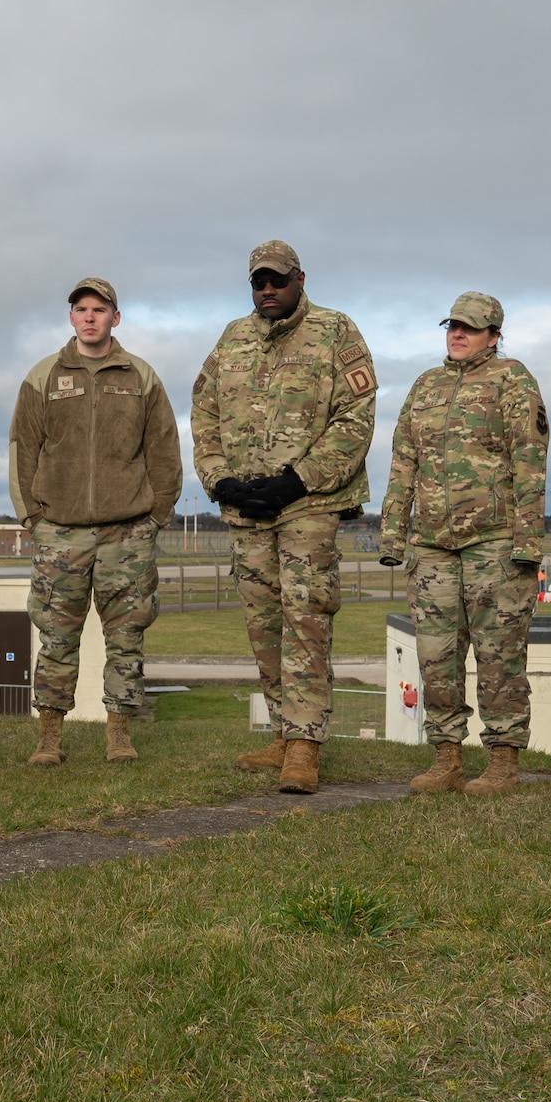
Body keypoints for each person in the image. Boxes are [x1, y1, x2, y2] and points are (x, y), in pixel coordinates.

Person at [191, 240, 376, 795]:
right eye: (257, 283)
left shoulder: (336, 331)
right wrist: (221, 481)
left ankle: (305, 746)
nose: (266, 291)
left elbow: (355, 419)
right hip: (247, 508)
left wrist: (296, 480)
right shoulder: (232, 338)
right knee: (263, 623)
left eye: (276, 280)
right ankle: (281, 729)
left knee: (306, 620)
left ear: (299, 278)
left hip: (308, 505)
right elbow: (203, 414)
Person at [9, 277, 181, 765]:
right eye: (81, 309)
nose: (90, 317)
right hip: (60, 533)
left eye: (99, 309)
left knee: (126, 637)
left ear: (115, 318)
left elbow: (165, 451)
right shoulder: (43, 375)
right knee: (56, 637)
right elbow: (23, 450)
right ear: (71, 318)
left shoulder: (140, 376)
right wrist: (34, 520)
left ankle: (119, 734)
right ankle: (49, 739)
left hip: (127, 534)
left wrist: (155, 517)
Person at [380, 292, 547, 797]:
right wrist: (393, 530)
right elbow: (403, 459)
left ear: (494, 335)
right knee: (436, 656)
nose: (457, 334)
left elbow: (529, 460)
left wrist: (528, 542)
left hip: (493, 542)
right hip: (431, 545)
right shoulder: (425, 386)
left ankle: (502, 761)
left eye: (470, 328)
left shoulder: (512, 379)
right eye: (452, 325)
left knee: (498, 655)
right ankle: (447, 757)